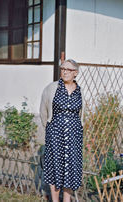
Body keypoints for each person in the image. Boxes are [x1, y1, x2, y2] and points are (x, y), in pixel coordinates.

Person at [40, 59, 84, 202]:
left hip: (74, 136)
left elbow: (82, 113)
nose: (65, 72)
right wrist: (50, 129)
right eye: (63, 69)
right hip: (55, 134)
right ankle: (54, 200)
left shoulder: (80, 91)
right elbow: (43, 111)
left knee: (71, 168)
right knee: (55, 167)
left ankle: (66, 200)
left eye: (69, 69)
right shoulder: (52, 88)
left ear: (75, 73)